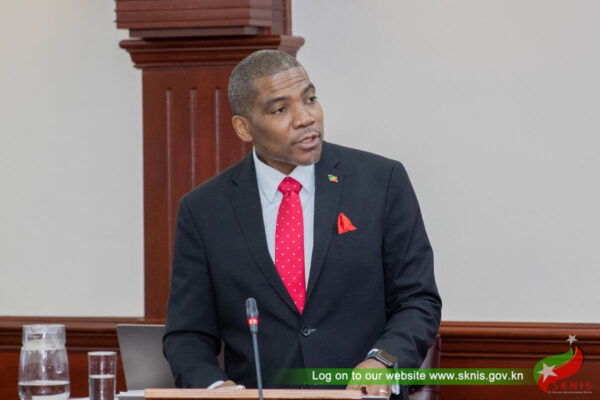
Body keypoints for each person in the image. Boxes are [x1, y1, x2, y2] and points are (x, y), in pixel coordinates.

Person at [163, 50, 441, 400]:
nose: (306, 118)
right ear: (244, 127)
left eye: (310, 99)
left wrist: (382, 360)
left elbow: (418, 300)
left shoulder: (381, 182)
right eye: (281, 109)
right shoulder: (204, 209)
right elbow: (187, 334)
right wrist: (216, 388)